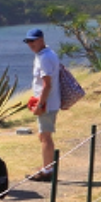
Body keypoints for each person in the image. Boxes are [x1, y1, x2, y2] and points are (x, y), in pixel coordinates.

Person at [23, 28, 60, 182]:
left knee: (45, 136)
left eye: (33, 40)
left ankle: (47, 170)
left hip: (47, 104)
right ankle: (47, 165)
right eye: (28, 41)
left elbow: (47, 84)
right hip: (49, 102)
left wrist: (40, 104)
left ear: (41, 40)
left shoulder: (44, 58)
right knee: (43, 135)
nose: (30, 44)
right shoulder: (46, 54)